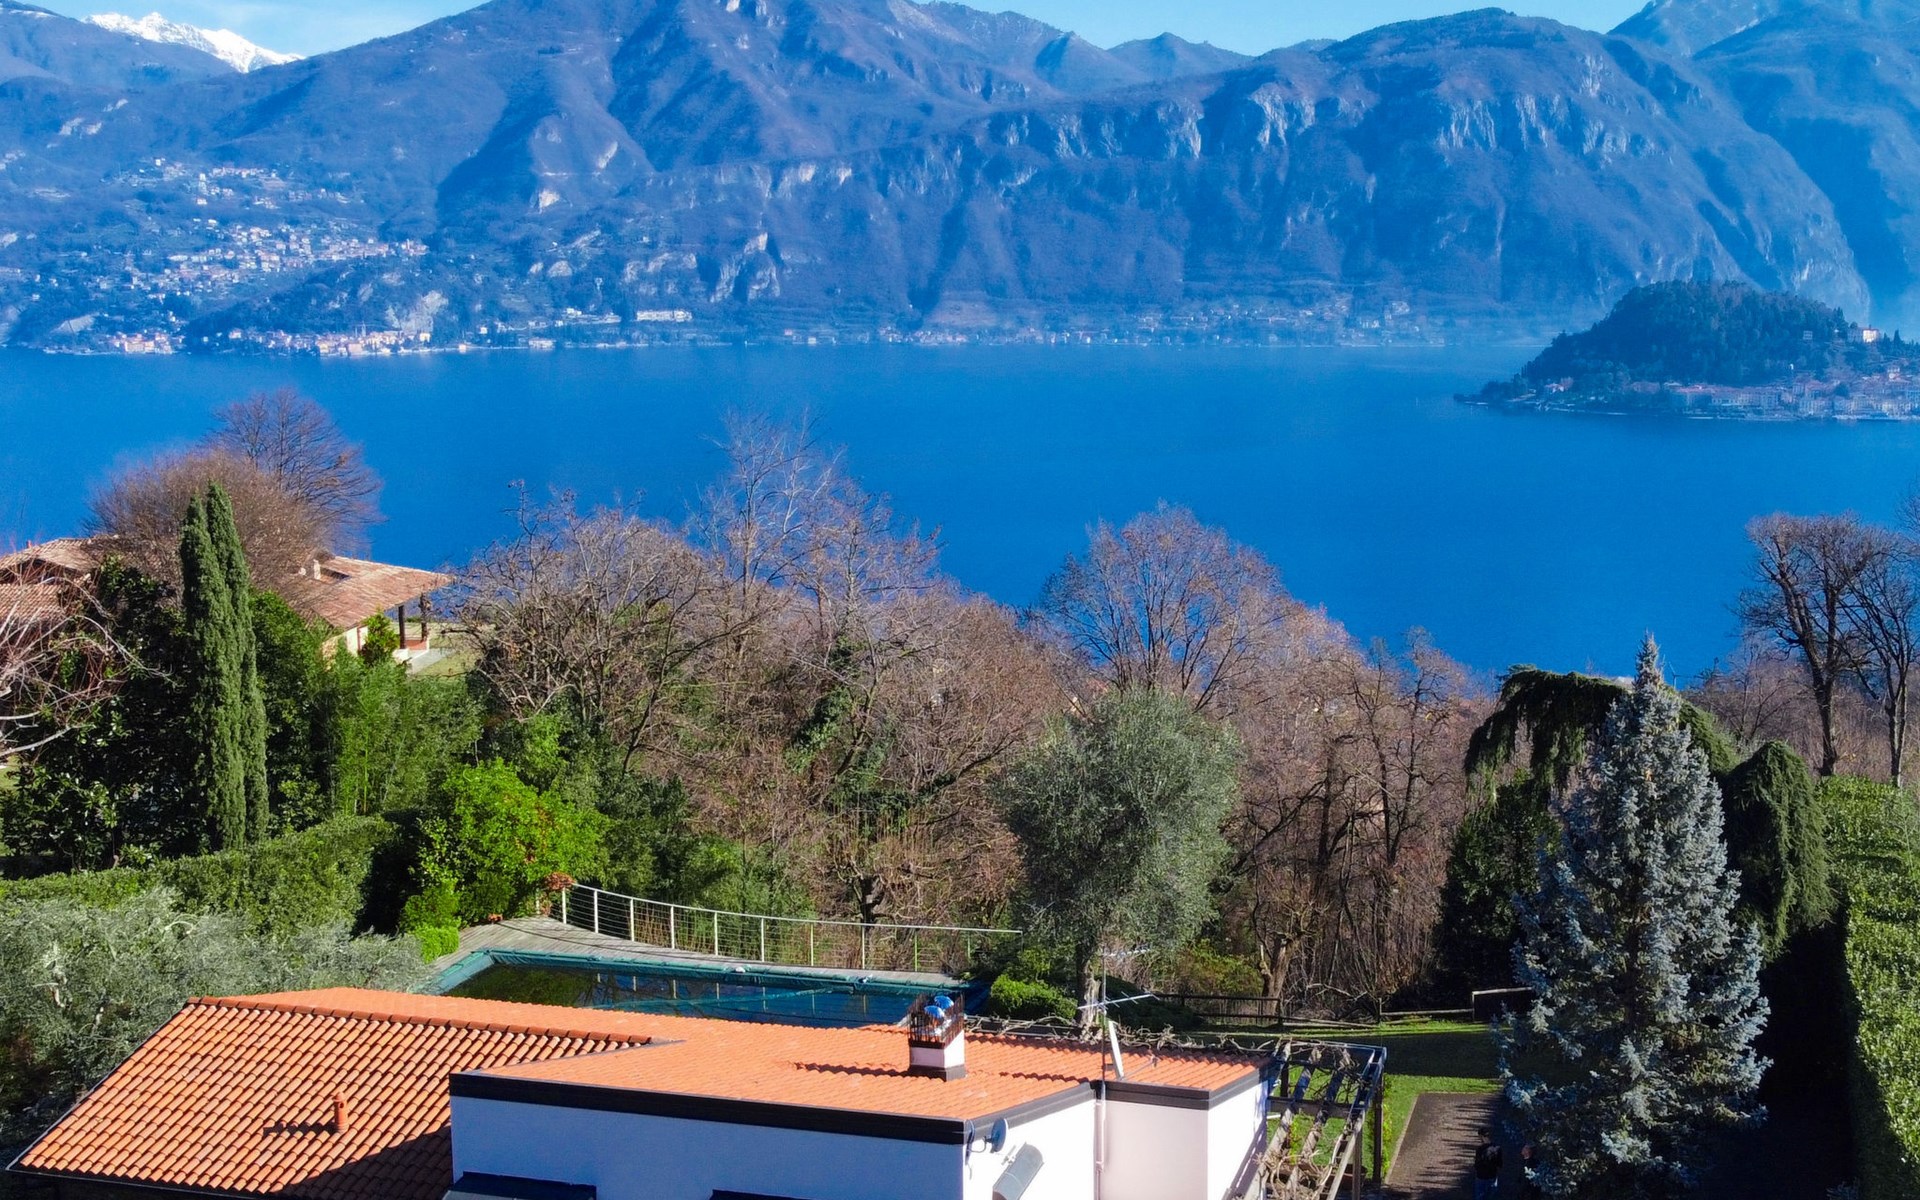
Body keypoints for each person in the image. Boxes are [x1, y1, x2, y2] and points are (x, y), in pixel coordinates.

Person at [1472, 1127, 1504, 1199]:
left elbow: (1477, 1165)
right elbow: (1500, 1164)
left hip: (1481, 1177)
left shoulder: (1480, 1149)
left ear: (1481, 1136)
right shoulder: (1497, 1148)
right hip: (1492, 1176)